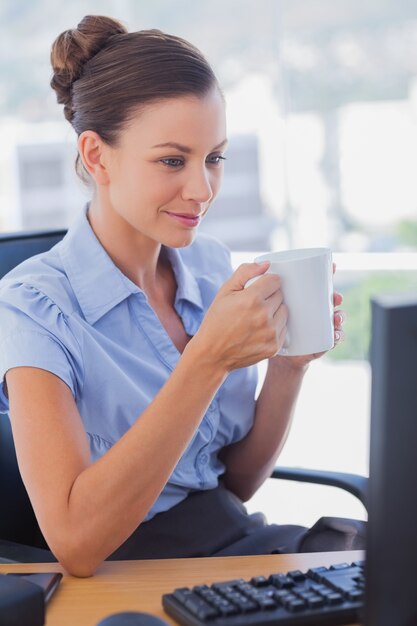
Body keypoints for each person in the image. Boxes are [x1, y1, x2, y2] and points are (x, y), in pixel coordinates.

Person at [0, 15, 362, 577]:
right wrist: (207, 359)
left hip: (235, 541)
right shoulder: (33, 308)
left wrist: (288, 369)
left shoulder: (210, 265)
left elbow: (235, 483)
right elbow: (75, 544)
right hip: (133, 569)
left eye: (213, 157)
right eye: (173, 160)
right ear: (97, 157)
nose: (202, 189)